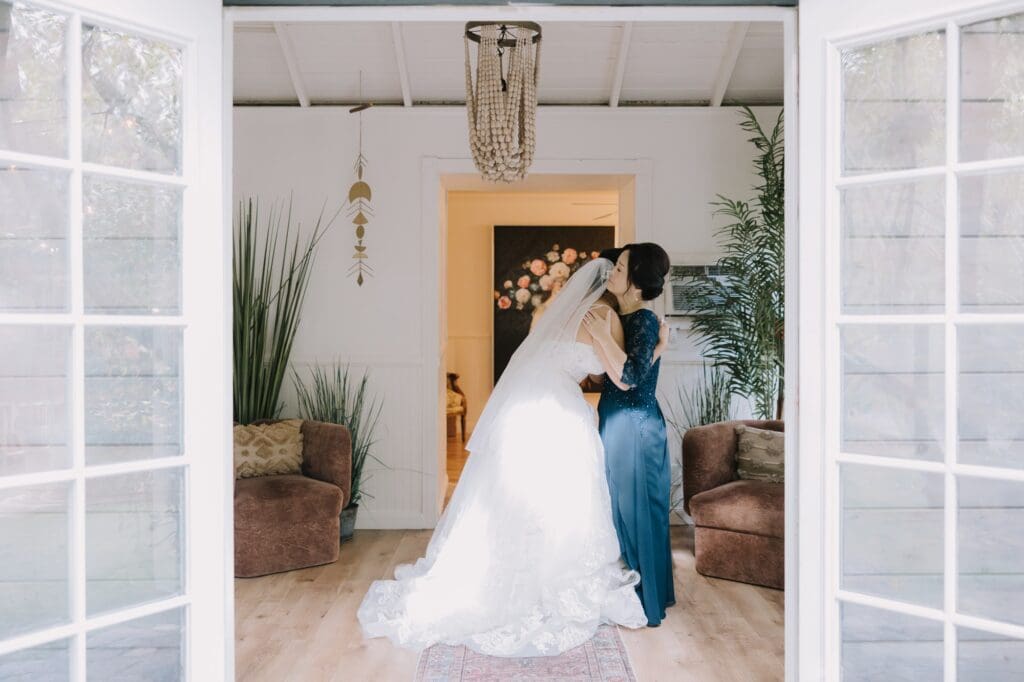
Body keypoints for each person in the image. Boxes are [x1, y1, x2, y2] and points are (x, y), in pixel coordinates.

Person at [357, 255, 666, 657]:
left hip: (524, 405)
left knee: (513, 493)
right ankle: (547, 579)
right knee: (558, 498)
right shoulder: (605, 319)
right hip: (560, 407)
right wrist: (658, 347)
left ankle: (496, 573)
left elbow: (558, 358)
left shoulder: (558, 312)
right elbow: (622, 378)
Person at [583, 243, 675, 627]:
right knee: (622, 510)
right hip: (619, 421)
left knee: (636, 513)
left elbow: (631, 377)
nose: (613, 273)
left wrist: (602, 336)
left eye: (620, 268)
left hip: (634, 426)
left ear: (636, 283)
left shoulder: (643, 319)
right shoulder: (625, 316)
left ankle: (646, 603)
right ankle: (642, 594)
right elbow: (616, 375)